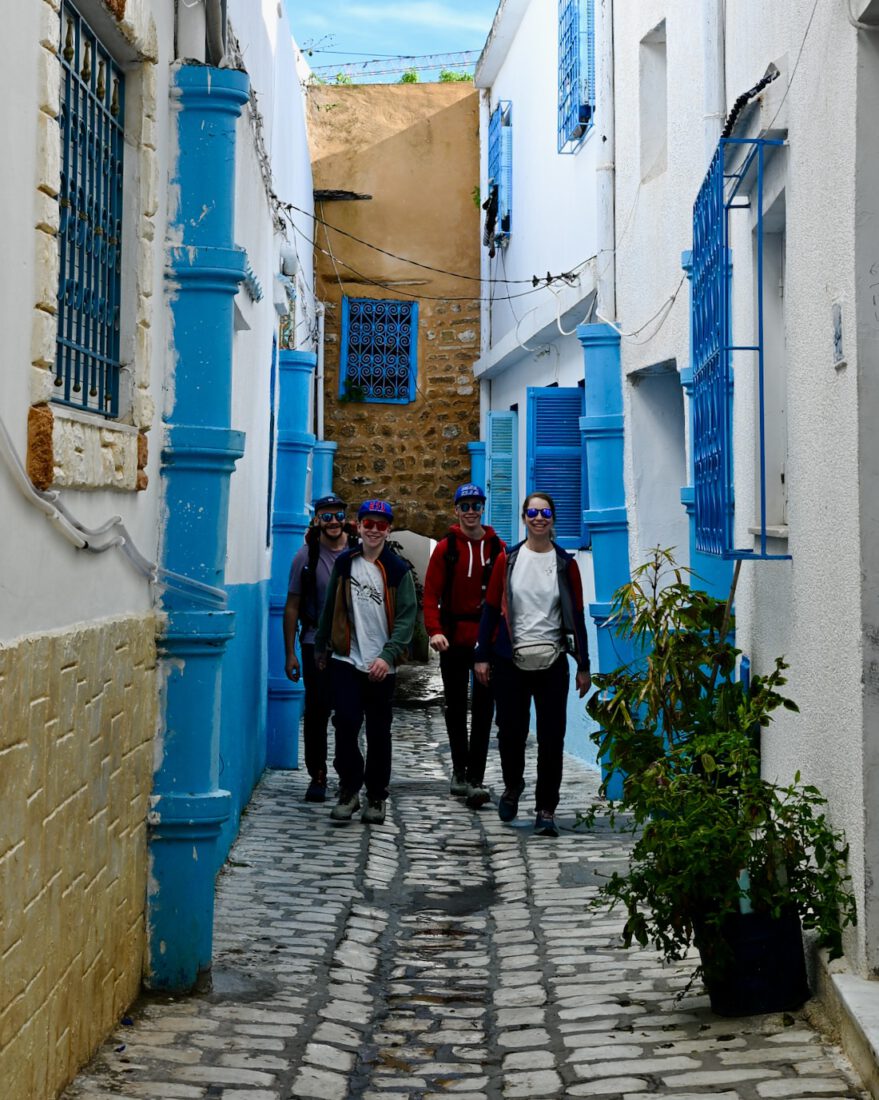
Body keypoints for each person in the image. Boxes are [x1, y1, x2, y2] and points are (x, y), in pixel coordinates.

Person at [474, 491, 591, 838]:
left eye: (545, 513)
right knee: (510, 732)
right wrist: (481, 655)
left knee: (552, 738)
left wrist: (583, 664)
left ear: (553, 519)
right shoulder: (507, 561)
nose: (539, 518)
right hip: (510, 659)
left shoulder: (566, 565)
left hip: (553, 661)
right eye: (533, 512)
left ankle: (546, 809)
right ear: (524, 518)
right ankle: (513, 786)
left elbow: (578, 615)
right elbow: (492, 609)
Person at [314, 499, 416, 825]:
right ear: (358, 526)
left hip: (381, 665)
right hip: (346, 658)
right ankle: (349, 789)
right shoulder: (346, 564)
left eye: (381, 524)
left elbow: (406, 620)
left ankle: (376, 795)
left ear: (389, 529)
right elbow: (330, 606)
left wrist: (387, 657)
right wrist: (321, 646)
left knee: (378, 731)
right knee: (344, 723)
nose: (374, 530)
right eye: (368, 524)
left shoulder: (399, 570)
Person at [423, 483, 503, 808]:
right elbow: (430, 593)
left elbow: (505, 597)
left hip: (487, 639)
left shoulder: (498, 548)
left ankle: (476, 777)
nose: (471, 511)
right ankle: (459, 769)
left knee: (484, 709)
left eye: (476, 505)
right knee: (456, 706)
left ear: (483, 508)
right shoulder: (447, 548)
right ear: (456, 510)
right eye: (465, 505)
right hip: (454, 637)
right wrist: (434, 630)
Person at [283, 494, 355, 802]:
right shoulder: (306, 557)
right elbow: (292, 606)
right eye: (326, 516)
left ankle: (347, 772)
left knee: (349, 714)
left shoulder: (357, 552)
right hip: (316, 645)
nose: (333, 521)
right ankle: (318, 774)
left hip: (353, 648)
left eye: (337, 515)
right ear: (317, 521)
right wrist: (290, 654)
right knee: (317, 712)